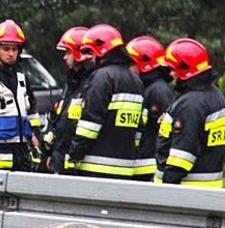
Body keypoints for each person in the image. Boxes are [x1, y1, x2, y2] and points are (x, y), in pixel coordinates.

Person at [66, 24, 144, 179]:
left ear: (101, 50)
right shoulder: (136, 80)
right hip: (126, 168)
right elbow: (138, 127)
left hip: (96, 167)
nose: (90, 58)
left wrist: (73, 154)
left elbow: (90, 124)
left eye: (91, 52)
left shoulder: (102, 77)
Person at [157, 38, 225, 187]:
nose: (171, 74)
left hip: (186, 189)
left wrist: (165, 188)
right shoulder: (215, 94)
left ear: (184, 68)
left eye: (173, 69)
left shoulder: (190, 104)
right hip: (208, 186)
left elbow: (181, 157)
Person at [0, 19, 42, 171]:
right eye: (6, 49)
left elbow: (32, 110)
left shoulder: (22, 77)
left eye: (14, 49)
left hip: (22, 152)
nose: (11, 54)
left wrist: (35, 134)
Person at [126, 35, 175, 182]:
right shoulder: (144, 87)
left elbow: (167, 133)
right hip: (138, 164)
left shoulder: (158, 91)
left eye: (130, 63)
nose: (127, 68)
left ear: (143, 64)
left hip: (148, 168)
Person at [46, 25, 89, 175]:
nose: (64, 57)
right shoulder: (71, 83)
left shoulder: (90, 85)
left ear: (79, 53)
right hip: (61, 158)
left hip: (76, 163)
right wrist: (52, 153)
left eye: (68, 52)